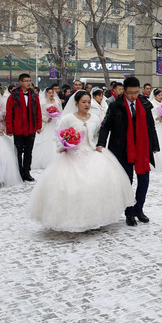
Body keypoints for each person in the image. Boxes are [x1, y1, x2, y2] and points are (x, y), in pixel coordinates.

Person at [28, 90, 136, 231]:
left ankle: (95, 218)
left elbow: (98, 135)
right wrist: (65, 146)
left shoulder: (95, 119)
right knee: (71, 187)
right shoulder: (68, 118)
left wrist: (99, 145)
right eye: (83, 102)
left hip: (92, 153)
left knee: (97, 185)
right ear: (76, 103)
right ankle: (71, 219)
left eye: (89, 102)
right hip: (72, 155)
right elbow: (59, 136)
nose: (87, 105)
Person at [97, 76, 160, 226]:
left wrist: (155, 145)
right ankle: (129, 212)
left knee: (144, 180)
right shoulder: (115, 105)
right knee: (127, 181)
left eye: (136, 92)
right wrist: (101, 143)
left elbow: (151, 127)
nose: (133, 96)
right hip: (121, 148)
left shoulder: (145, 104)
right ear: (124, 91)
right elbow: (105, 126)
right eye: (130, 93)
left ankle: (139, 209)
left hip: (142, 148)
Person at [5, 73, 41, 182]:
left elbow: (38, 111)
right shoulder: (13, 96)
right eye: (26, 81)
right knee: (18, 151)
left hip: (31, 127)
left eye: (29, 81)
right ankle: (19, 172)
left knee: (29, 151)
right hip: (18, 128)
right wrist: (9, 129)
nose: (29, 83)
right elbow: (9, 113)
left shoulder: (34, 96)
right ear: (20, 82)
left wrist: (38, 126)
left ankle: (27, 172)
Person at [31, 86, 63, 170]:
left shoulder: (56, 100)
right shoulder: (42, 102)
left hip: (55, 122)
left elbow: (60, 110)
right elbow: (39, 113)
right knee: (46, 140)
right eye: (49, 93)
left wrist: (57, 116)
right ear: (46, 94)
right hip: (47, 123)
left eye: (52, 93)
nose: (51, 94)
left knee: (56, 139)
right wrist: (46, 118)